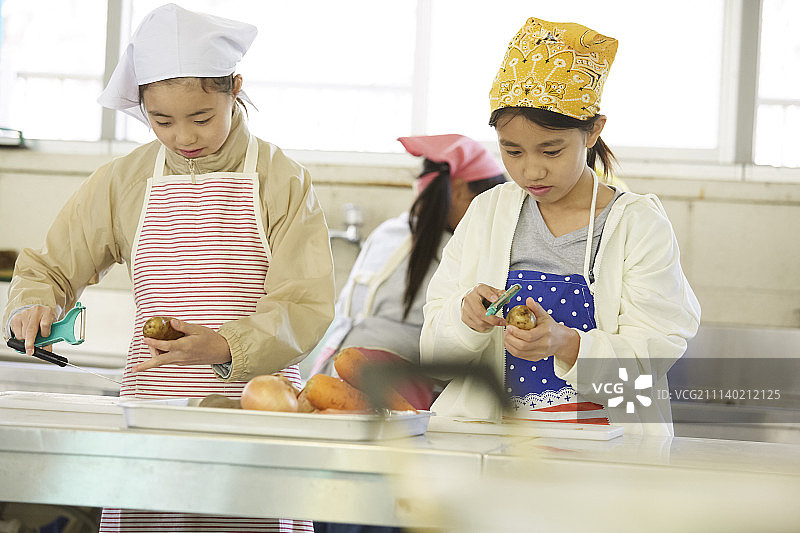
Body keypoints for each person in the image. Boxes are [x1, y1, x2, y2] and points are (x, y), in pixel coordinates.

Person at [3, 4, 333, 532]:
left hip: (255, 409)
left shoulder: (282, 180)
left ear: (235, 89)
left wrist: (224, 345)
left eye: (201, 117)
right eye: (161, 120)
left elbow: (305, 303)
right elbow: (51, 266)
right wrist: (34, 302)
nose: (183, 136)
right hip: (151, 410)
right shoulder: (123, 180)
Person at [419, 17, 701, 436]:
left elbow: (658, 349)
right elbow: (433, 350)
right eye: (511, 151)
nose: (530, 169)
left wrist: (566, 343)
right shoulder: (487, 213)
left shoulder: (636, 224)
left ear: (592, 131)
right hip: (495, 441)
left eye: (551, 150)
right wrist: (466, 319)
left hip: (606, 443)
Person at [308, 134, 506, 410]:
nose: (489, 214)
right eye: (485, 199)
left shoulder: (389, 230)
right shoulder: (458, 249)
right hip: (398, 381)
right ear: (460, 189)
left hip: (336, 367)